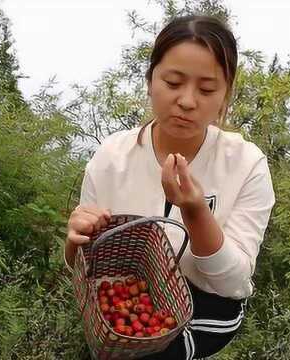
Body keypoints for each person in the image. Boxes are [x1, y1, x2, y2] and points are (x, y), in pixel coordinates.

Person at [65, 14, 276, 359]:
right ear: (150, 80)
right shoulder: (111, 158)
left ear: (226, 95)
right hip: (125, 310)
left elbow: (233, 284)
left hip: (208, 312)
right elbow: (83, 267)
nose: (188, 101)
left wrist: (195, 212)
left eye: (207, 89)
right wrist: (74, 240)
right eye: (173, 82)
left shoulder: (246, 164)